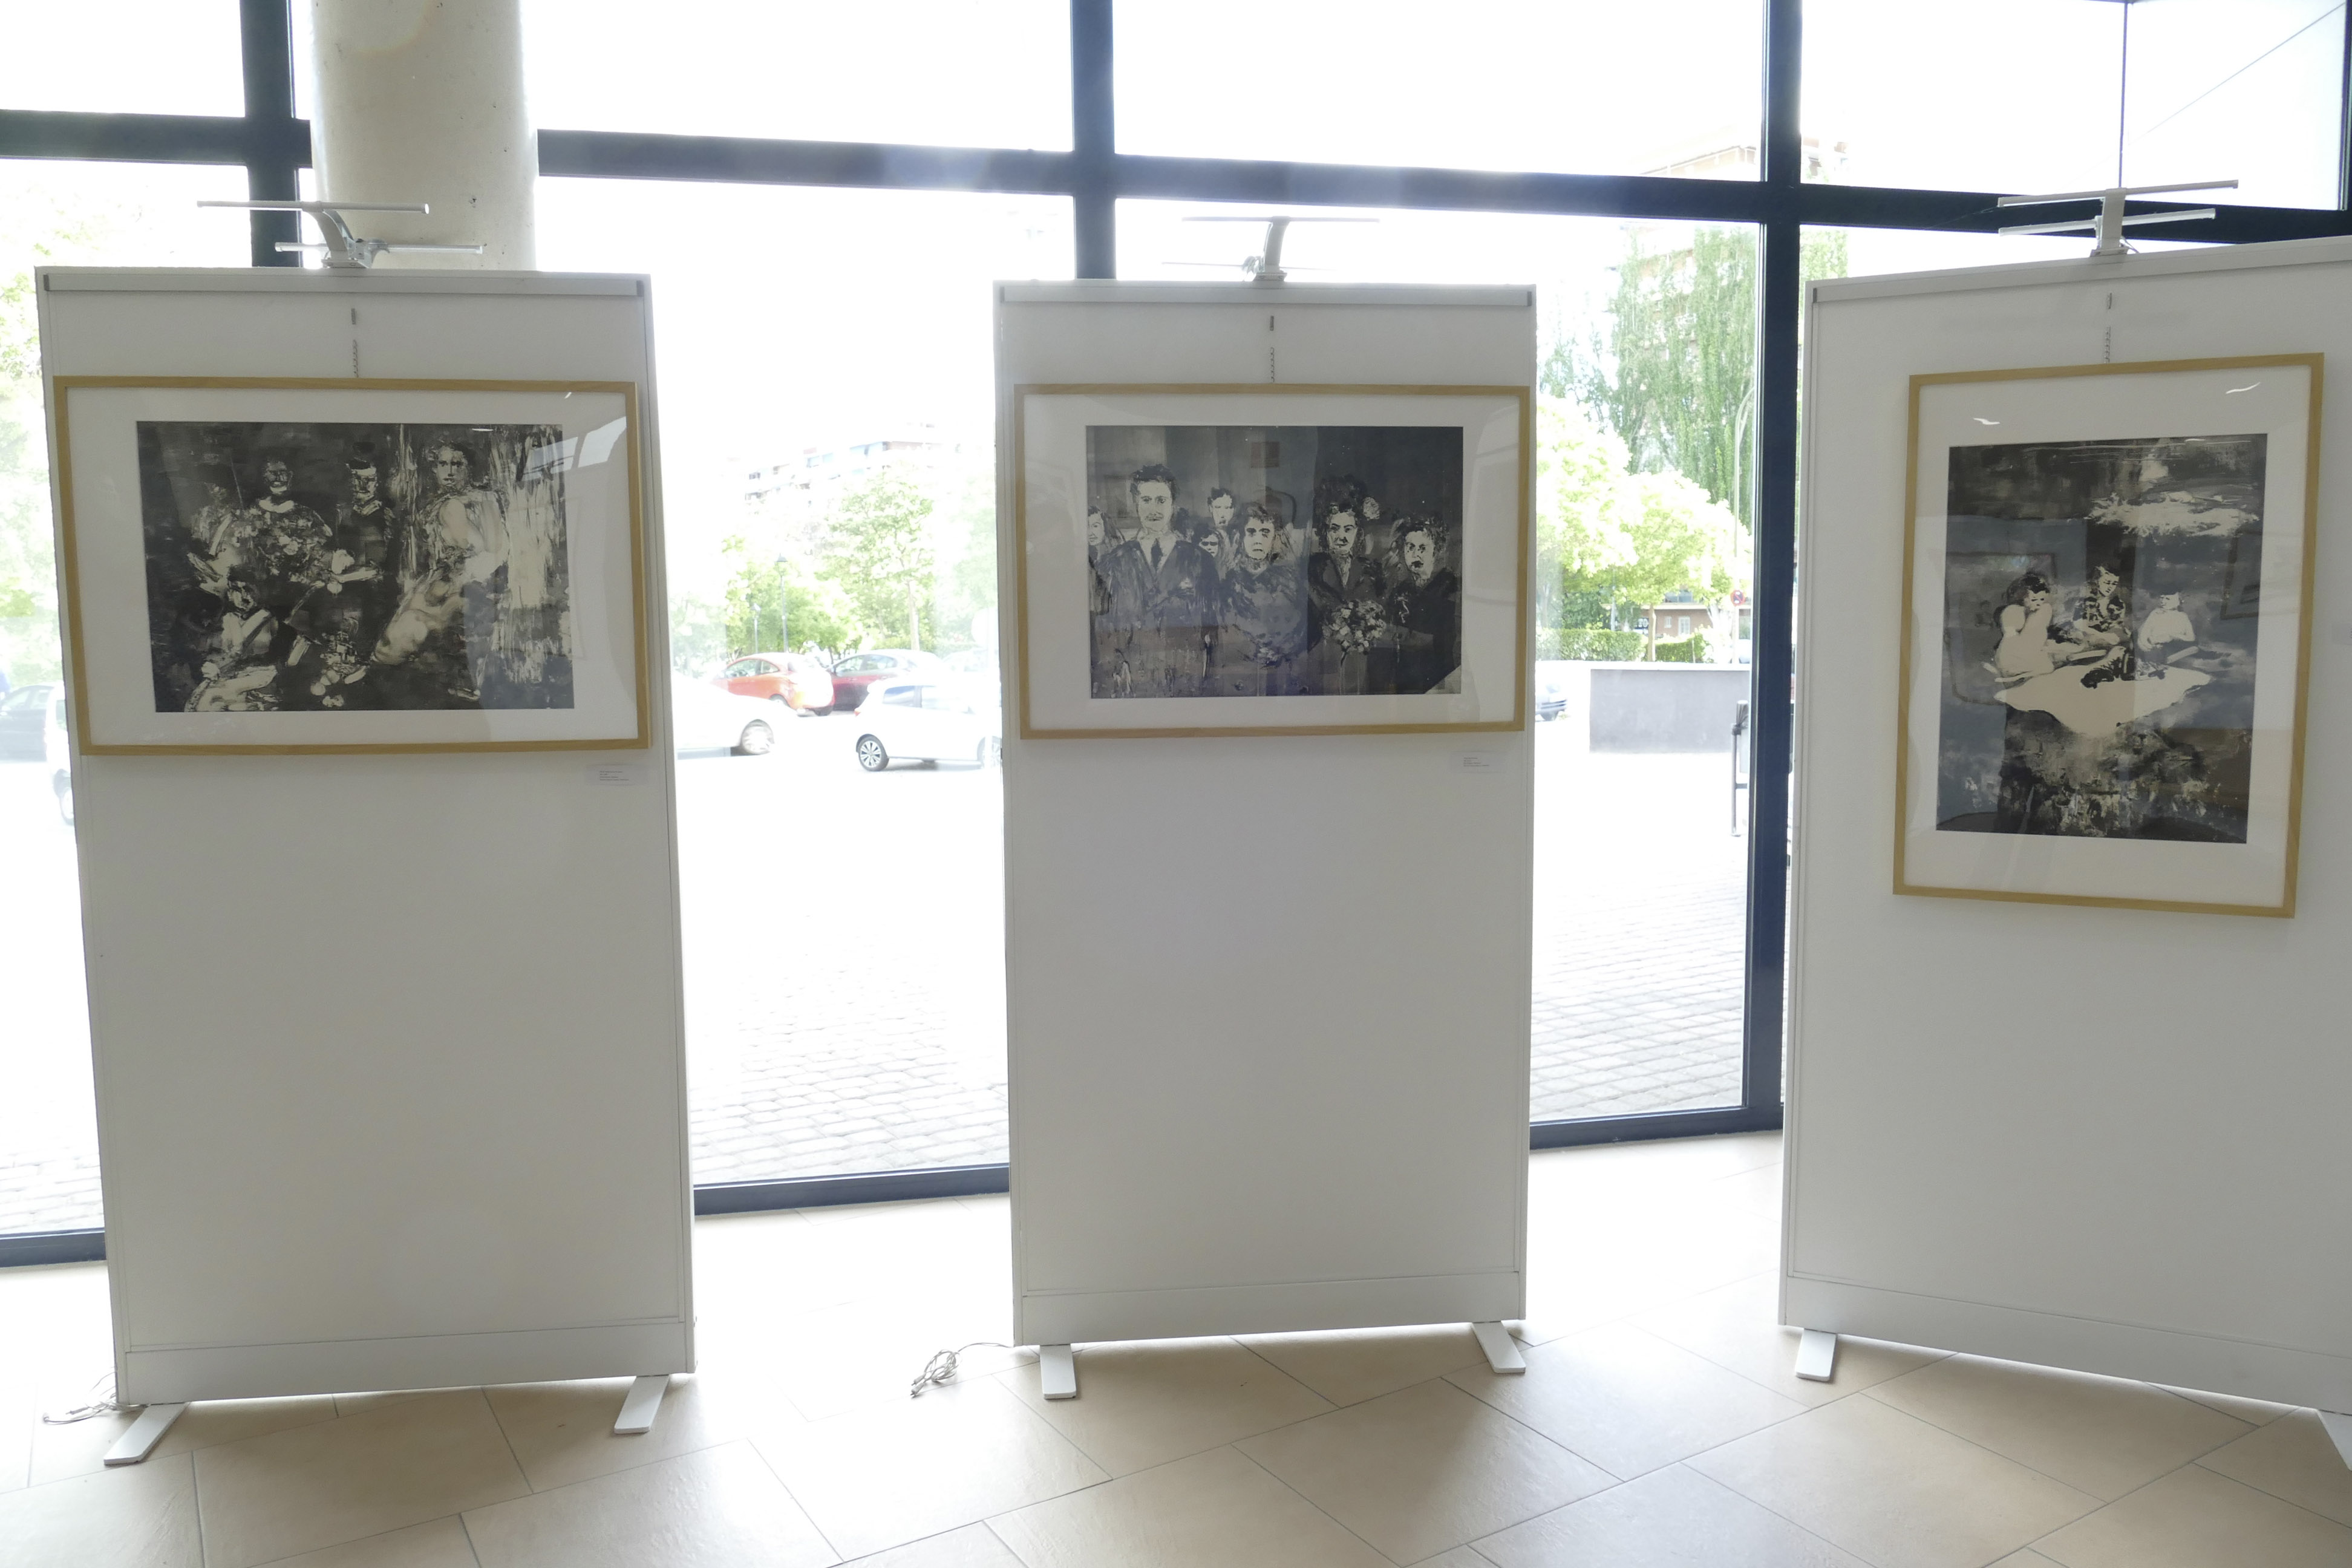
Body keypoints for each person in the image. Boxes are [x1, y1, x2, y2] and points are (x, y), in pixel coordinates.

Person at [370, 439, 505, 707]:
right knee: (393, 646)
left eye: (457, 464)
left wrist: (462, 578)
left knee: (406, 640)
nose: (450, 471)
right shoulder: (444, 502)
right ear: (434, 468)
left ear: (469, 468)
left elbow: (489, 549)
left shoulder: (479, 500)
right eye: (443, 464)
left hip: (469, 584)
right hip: (440, 582)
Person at [1097, 463, 1218, 697]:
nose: (1154, 509)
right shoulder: (1115, 562)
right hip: (1135, 682)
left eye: (1161, 500)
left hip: (1186, 678)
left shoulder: (1199, 560)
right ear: (1136, 504)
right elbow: (1105, 628)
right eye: (1146, 500)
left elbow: (1213, 630)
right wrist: (1116, 667)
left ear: (1173, 504)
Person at [1209, 500, 1309, 696]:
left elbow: (1300, 627)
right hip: (1241, 674)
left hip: (1280, 671)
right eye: (1251, 532)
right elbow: (1223, 629)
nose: (1258, 540)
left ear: (1274, 537)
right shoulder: (1228, 583)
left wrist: (1280, 649)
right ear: (1241, 537)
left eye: (1265, 533)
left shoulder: (1289, 580)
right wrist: (1252, 650)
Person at [1305, 498, 1387, 693]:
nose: (1341, 536)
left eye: (1348, 529)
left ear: (1358, 532)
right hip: (1321, 661)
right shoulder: (1311, 568)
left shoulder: (1370, 570)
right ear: (1326, 532)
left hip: (1358, 664)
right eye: (1334, 529)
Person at [1384, 514, 1462, 693]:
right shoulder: (1400, 590)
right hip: (1406, 679)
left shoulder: (1450, 586)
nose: (1415, 554)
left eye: (1423, 548)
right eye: (1410, 547)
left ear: (1436, 551)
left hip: (1439, 680)